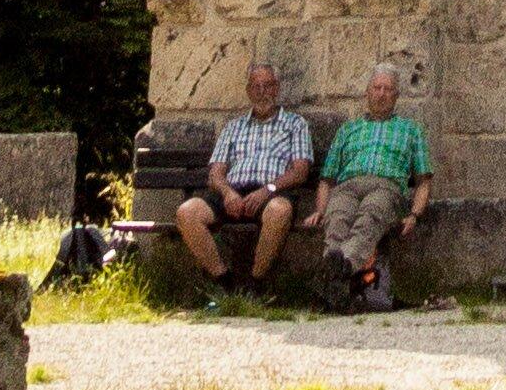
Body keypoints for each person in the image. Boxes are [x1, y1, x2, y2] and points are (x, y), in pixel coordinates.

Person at [173, 62, 318, 291]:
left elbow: (300, 172)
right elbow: (216, 173)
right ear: (248, 91)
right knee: (186, 212)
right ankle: (224, 282)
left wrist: (267, 190)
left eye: (267, 86)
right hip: (232, 193)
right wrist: (227, 193)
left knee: (280, 210)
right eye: (256, 86)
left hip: (272, 192)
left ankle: (255, 284)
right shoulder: (233, 127)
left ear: (277, 88)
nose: (262, 92)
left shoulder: (295, 124)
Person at [316, 61, 432, 307]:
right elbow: (327, 178)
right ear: (367, 93)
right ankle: (336, 280)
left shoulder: (411, 130)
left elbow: (423, 180)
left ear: (396, 96)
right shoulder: (348, 129)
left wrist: (414, 214)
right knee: (337, 217)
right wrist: (320, 210)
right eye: (377, 88)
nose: (381, 94)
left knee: (370, 215)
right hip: (348, 186)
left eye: (388, 89)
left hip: (386, 187)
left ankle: (340, 268)